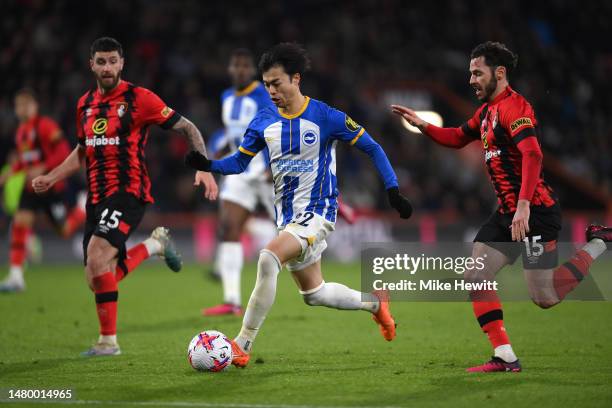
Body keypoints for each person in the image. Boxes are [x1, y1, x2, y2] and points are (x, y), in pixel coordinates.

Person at [186, 43, 413, 367]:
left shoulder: (325, 116)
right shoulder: (263, 120)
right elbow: (238, 163)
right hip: (288, 218)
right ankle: (375, 304)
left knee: (267, 258)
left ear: (296, 79)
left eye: (276, 83)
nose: (271, 90)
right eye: (266, 84)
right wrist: (208, 164)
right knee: (314, 294)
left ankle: (242, 343)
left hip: (318, 212)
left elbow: (372, 146)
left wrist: (392, 189)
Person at [392, 41, 611, 373]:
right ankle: (504, 354)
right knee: (476, 273)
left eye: (477, 73)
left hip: (535, 214)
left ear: (500, 73)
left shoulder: (515, 108)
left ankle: (597, 244)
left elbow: (533, 154)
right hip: (508, 214)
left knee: (545, 297)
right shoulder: (486, 113)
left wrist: (523, 206)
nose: (471, 80)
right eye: (470, 73)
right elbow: (455, 137)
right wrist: (423, 125)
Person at [32, 37, 218, 356]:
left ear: (122, 63)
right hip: (96, 196)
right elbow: (81, 151)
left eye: (113, 61)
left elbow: (188, 128)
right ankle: (153, 246)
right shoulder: (84, 104)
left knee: (97, 255)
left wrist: (203, 166)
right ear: (92, 64)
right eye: (101, 61)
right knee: (98, 276)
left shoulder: (138, 98)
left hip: (128, 192)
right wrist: (51, 177)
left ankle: (108, 343)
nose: (108, 67)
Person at [203, 48, 276, 316]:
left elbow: (273, 128)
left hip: (267, 172)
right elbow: (233, 134)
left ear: (252, 70)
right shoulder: (226, 96)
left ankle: (315, 283)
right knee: (228, 227)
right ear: (230, 69)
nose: (241, 70)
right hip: (240, 172)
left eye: (246, 66)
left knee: (290, 230)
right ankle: (232, 300)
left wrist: (272, 165)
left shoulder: (263, 95)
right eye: (237, 65)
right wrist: (219, 154)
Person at [0, 88, 87, 292]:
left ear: (35, 106)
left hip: (51, 187)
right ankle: (16, 276)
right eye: (18, 105)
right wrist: (9, 173)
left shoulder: (46, 126)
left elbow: (65, 151)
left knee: (64, 231)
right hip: (30, 189)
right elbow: (25, 160)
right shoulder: (21, 132)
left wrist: (44, 167)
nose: (22, 108)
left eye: (25, 104)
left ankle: (82, 208)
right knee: (20, 224)